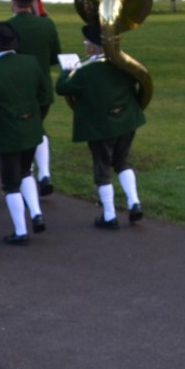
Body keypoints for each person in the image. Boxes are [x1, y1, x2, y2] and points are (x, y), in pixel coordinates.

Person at [59, 23, 150, 230]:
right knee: (122, 161)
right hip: (126, 121)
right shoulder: (124, 65)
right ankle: (134, 202)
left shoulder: (84, 72)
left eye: (86, 42)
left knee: (102, 168)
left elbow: (62, 88)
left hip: (99, 127)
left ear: (93, 47)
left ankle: (109, 215)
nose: (85, 46)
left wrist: (67, 71)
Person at [0, 20, 51, 243]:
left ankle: (20, 231)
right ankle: (36, 213)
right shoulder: (31, 63)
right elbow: (45, 96)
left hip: (6, 135)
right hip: (31, 130)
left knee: (10, 185)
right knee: (26, 171)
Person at [5, 0, 64, 195]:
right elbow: (55, 56)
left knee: (23, 132)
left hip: (17, 89)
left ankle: (27, 174)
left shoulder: (8, 26)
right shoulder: (47, 25)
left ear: (14, 1)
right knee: (38, 128)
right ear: (31, 3)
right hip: (42, 88)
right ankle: (44, 173)